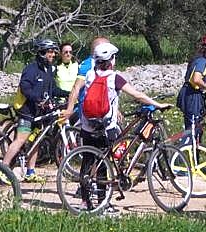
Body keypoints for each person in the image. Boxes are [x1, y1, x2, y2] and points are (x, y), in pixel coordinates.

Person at [61, 42, 170, 213]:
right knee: (105, 164)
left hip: (87, 126)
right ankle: (103, 202)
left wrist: (69, 109)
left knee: (88, 162)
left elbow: (76, 89)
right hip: (106, 127)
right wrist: (157, 104)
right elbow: (137, 95)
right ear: (111, 60)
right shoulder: (114, 78)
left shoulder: (89, 74)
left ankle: (84, 201)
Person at [2, 38, 60, 183]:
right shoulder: (31, 69)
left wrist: (71, 93)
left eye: (53, 52)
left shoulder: (48, 70)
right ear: (42, 52)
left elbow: (53, 90)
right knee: (21, 139)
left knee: (36, 141)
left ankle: (30, 172)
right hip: (26, 111)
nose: (53, 54)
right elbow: (25, 87)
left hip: (38, 113)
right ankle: (2, 169)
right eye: (50, 52)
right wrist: (38, 99)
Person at [177, 34, 206, 139]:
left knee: (191, 125)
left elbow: (204, 71)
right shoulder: (203, 61)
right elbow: (196, 79)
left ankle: (189, 150)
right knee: (193, 128)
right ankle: (187, 149)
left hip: (186, 92)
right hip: (192, 95)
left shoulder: (198, 59)